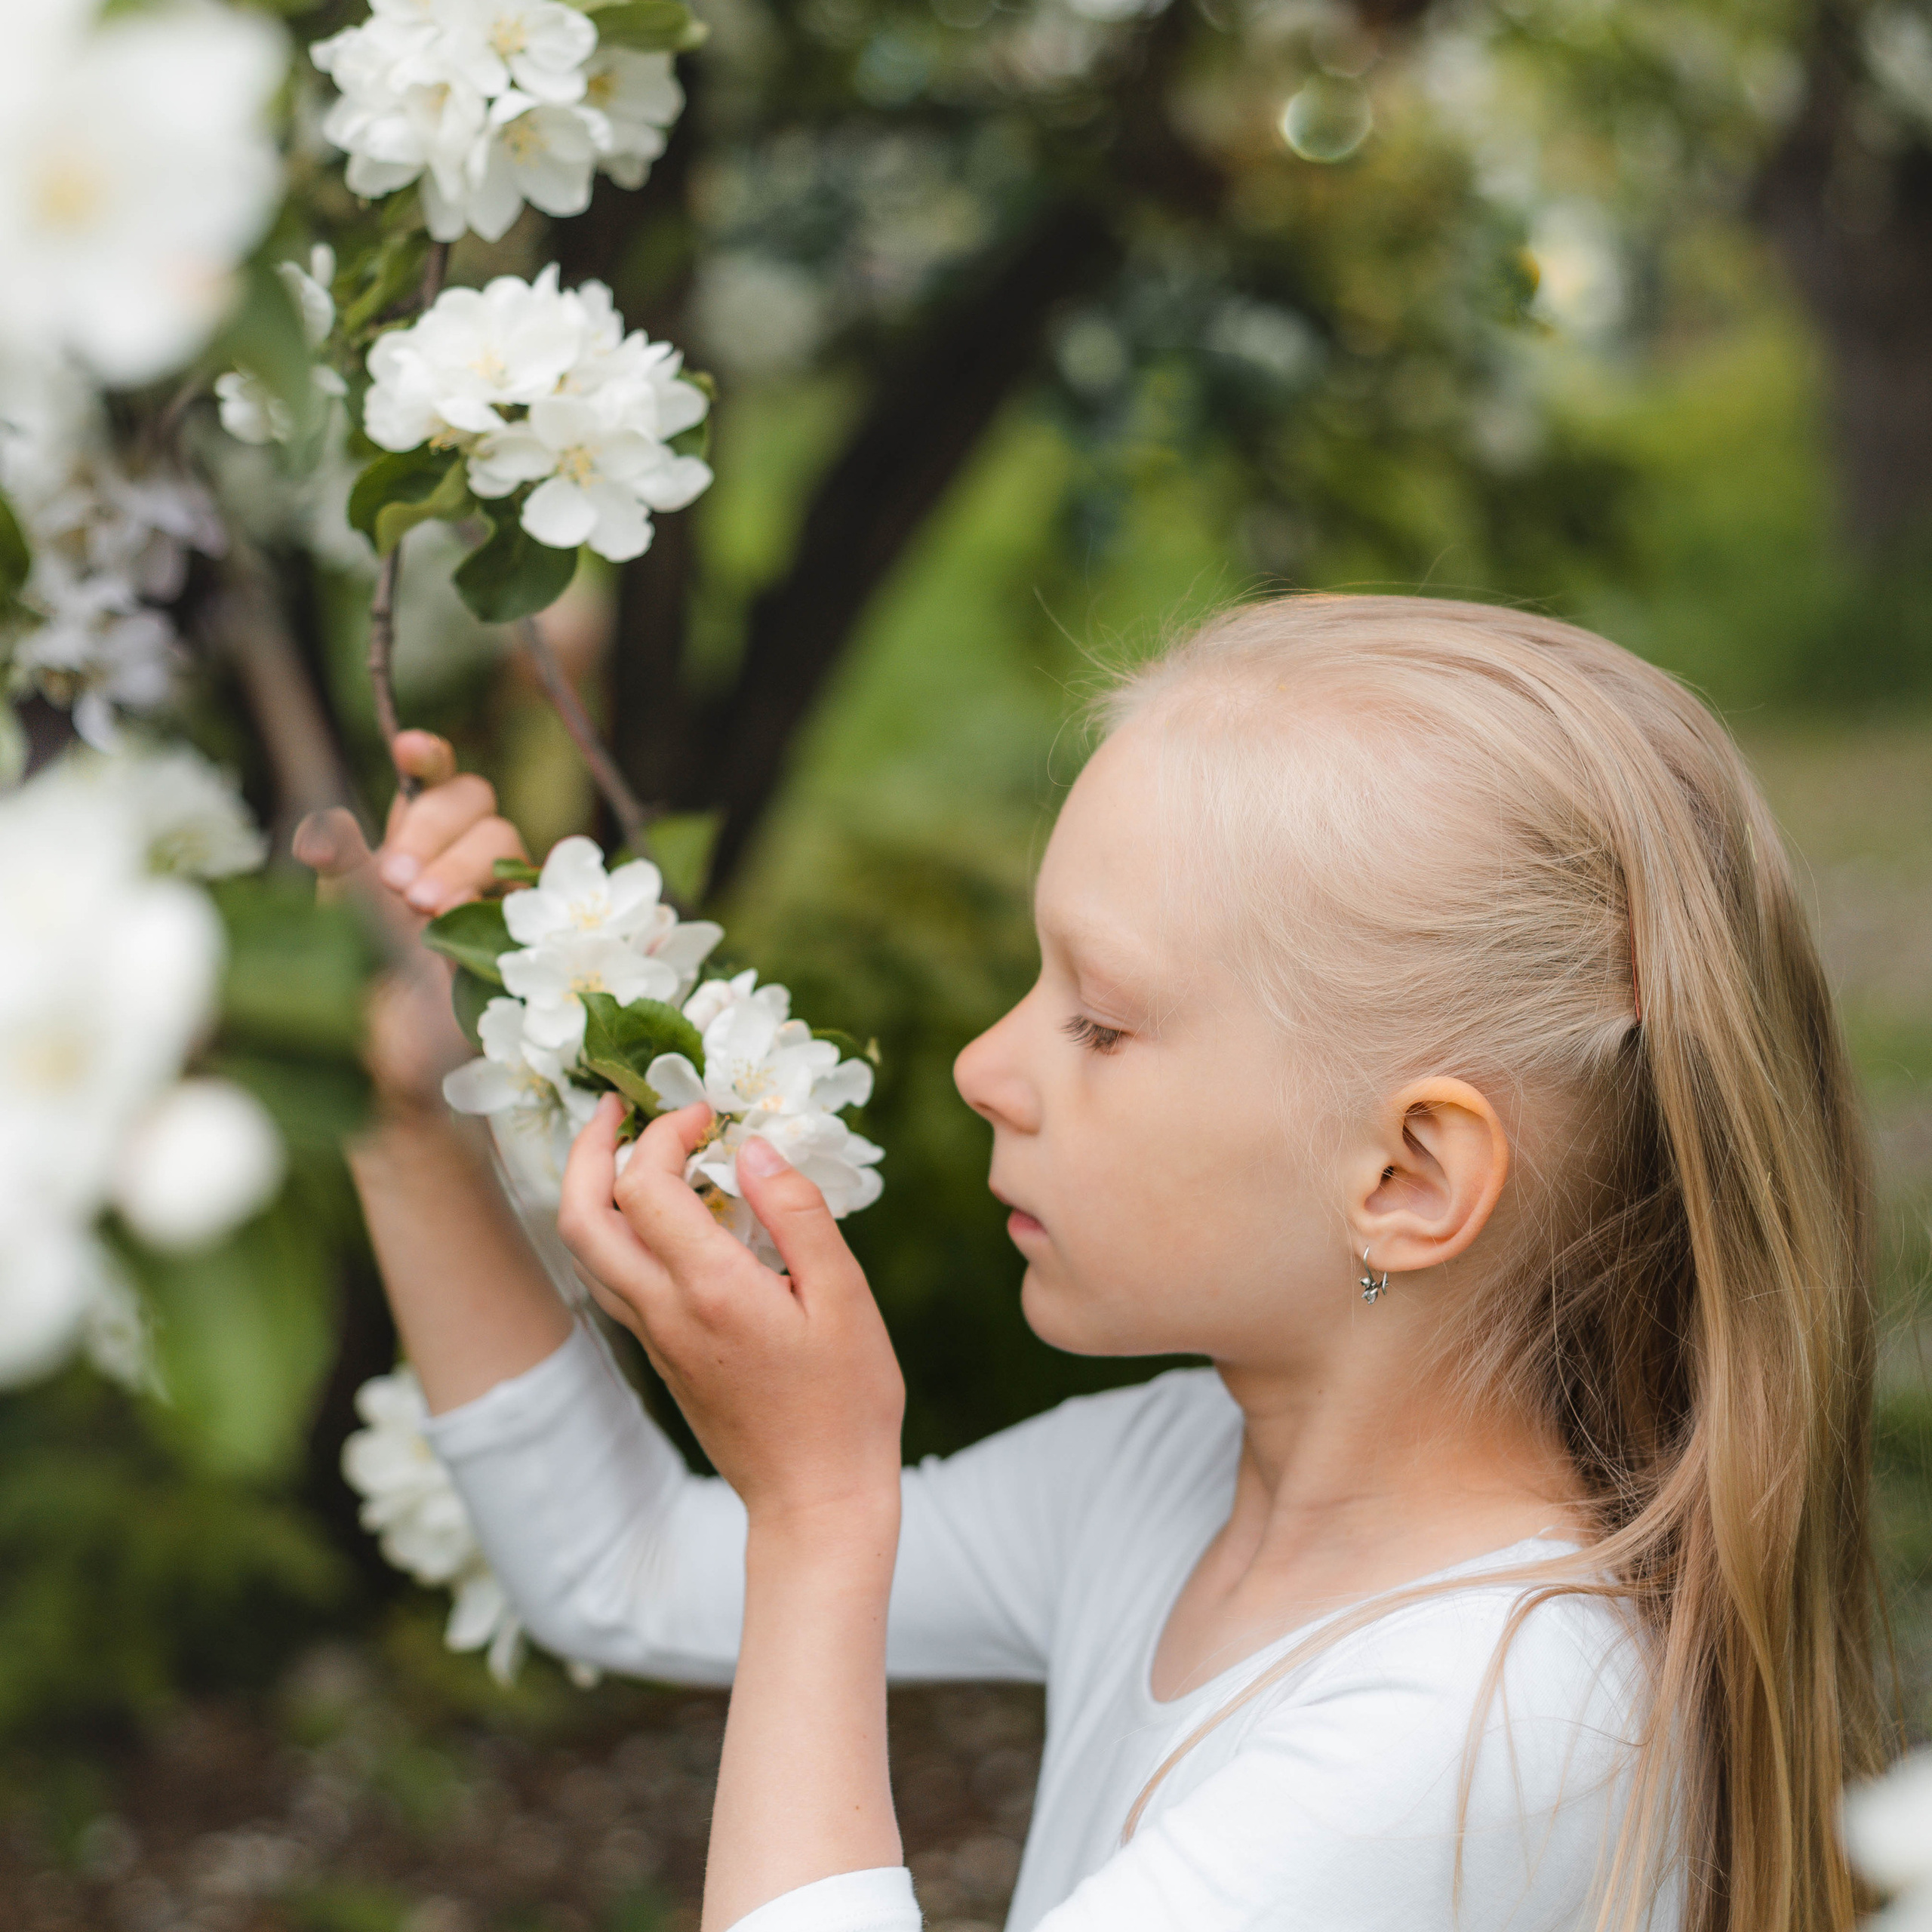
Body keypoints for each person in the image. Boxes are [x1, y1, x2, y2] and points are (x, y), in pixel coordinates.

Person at [300, 595, 1887, 1932]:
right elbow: (618, 1569)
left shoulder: (1500, 1718)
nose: (986, 1065)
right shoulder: (1183, 1469)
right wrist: (412, 1118)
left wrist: (822, 1509)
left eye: (1099, 1019)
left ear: (1406, 1177)